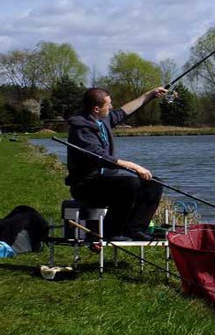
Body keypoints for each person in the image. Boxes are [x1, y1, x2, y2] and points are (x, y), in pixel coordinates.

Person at [65, 86, 168, 241]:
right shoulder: (81, 130)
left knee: (154, 183)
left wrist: (150, 95)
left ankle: (135, 228)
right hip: (86, 185)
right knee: (129, 184)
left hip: (106, 181)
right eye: (109, 104)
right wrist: (134, 166)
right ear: (96, 108)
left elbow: (124, 111)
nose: (112, 107)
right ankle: (111, 232)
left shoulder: (102, 119)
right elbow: (100, 157)